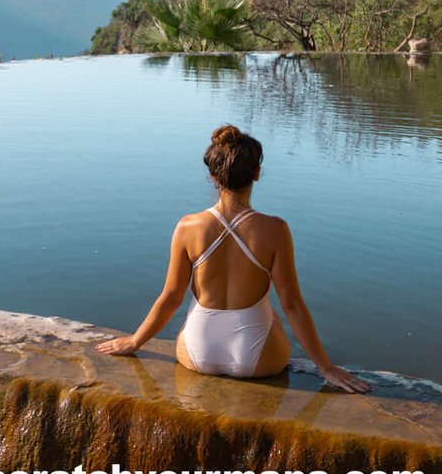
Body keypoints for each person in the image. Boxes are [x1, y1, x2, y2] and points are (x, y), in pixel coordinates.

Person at [95, 124, 371, 393]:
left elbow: (171, 297)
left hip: (197, 354)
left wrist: (134, 341)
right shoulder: (275, 230)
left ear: (213, 177)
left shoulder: (187, 227)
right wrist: (326, 368)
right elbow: (292, 305)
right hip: (258, 359)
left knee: (192, 315)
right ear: (257, 173)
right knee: (273, 313)